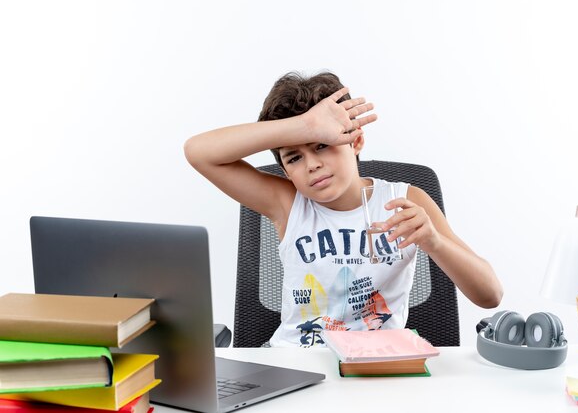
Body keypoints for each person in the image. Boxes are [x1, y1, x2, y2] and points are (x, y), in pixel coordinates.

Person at [184, 71, 503, 347]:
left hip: (377, 368)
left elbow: (490, 294)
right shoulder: (287, 204)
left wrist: (434, 240)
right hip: (299, 364)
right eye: (294, 157)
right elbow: (198, 152)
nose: (312, 165)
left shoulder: (408, 199)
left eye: (322, 144)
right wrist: (305, 126)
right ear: (285, 169)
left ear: (357, 140)